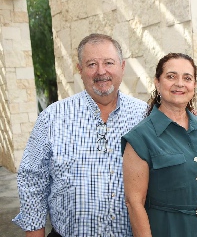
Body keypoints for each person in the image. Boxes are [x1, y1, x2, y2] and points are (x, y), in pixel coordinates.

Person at [13, 33, 148, 236]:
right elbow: (32, 180)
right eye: (91, 64)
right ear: (80, 70)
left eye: (109, 63)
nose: (101, 72)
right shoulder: (52, 117)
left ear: (122, 66)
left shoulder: (145, 115)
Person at [122, 52, 197, 237]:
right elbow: (134, 203)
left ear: (194, 85)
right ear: (157, 83)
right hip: (167, 230)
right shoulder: (140, 138)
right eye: (171, 76)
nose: (180, 83)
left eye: (187, 78)